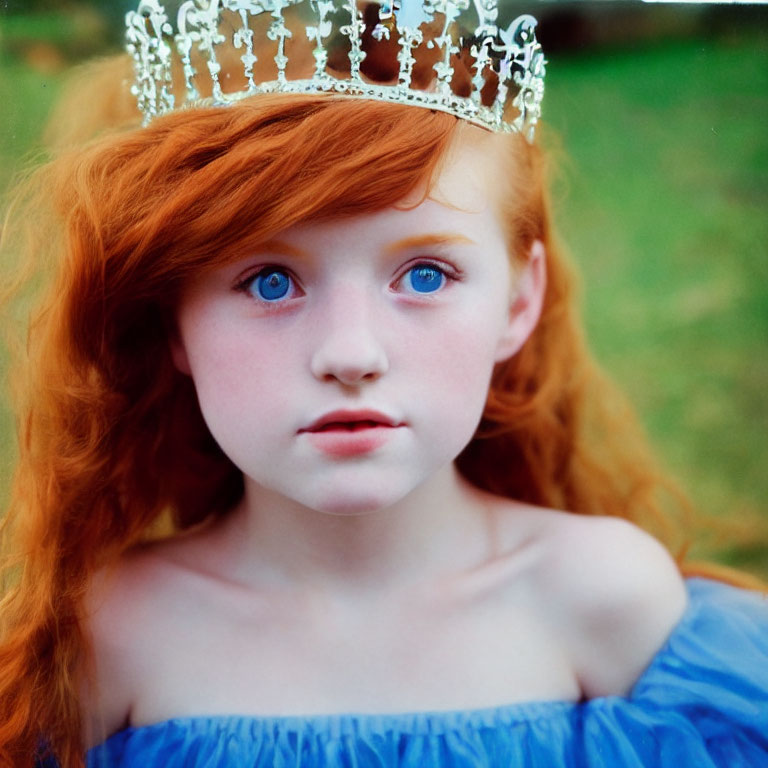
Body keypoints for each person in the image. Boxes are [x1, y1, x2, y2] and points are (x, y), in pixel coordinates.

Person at [0, 1, 766, 767]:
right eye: (270, 282)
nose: (351, 353)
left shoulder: (603, 603)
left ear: (518, 300)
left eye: (425, 274)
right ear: (174, 326)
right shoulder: (111, 639)